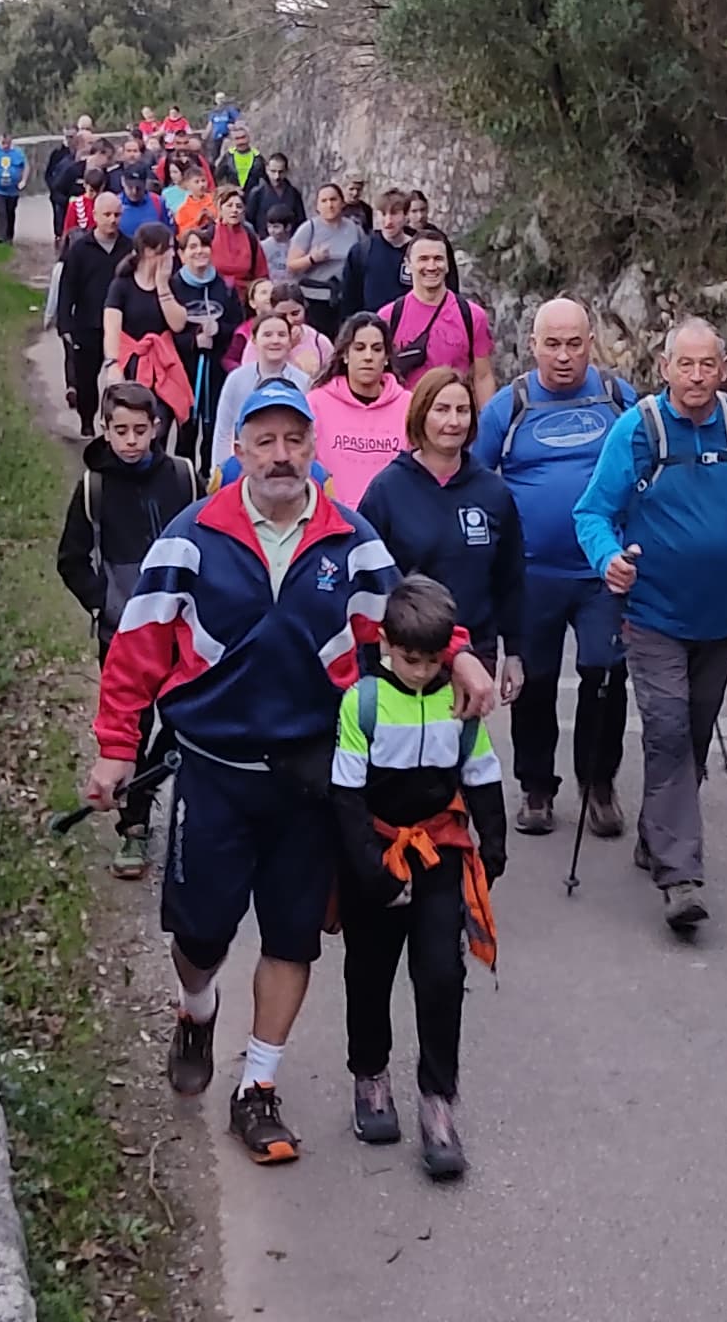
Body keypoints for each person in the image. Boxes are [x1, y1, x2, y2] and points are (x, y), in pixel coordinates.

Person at [84, 379, 494, 1166]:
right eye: (263, 440)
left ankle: (257, 1088)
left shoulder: (350, 538)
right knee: (199, 935)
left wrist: (463, 653)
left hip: (311, 777)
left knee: (293, 937)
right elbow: (136, 651)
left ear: (313, 447)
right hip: (214, 769)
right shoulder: (191, 535)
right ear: (236, 450)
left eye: (294, 440)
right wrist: (114, 746)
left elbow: (408, 615)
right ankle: (197, 1009)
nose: (280, 455)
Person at [570, 317, 727, 932]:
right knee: (669, 730)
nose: (696, 377)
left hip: (722, 618)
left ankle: (656, 833)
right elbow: (593, 512)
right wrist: (608, 561)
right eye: (685, 365)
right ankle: (681, 877)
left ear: (723, 368)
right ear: (665, 367)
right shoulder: (638, 430)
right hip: (652, 616)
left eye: (708, 365)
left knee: (693, 735)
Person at [328, 573, 507, 1179]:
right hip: (377, 851)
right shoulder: (364, 703)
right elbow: (346, 796)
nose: (423, 672)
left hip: (439, 849)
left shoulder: (459, 701)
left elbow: (480, 771)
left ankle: (438, 1101)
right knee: (370, 973)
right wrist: (369, 870)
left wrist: (495, 838)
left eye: (434, 662)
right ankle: (370, 1076)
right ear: (385, 646)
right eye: (410, 660)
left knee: (440, 975)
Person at [474, 299, 637, 837]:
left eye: (574, 343)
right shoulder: (509, 405)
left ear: (591, 343)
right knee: (535, 681)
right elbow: (476, 477)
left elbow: (650, 467)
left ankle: (599, 782)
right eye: (552, 344)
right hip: (532, 573)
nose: (563, 356)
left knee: (605, 673)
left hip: (601, 573)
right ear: (533, 345)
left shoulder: (618, 398)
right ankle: (537, 786)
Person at [58, 383, 200, 879]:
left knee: (186, 724)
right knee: (130, 732)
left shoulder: (183, 477)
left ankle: (178, 809)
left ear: (157, 429)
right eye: (121, 431)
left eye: (141, 430)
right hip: (121, 633)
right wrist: (106, 602)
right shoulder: (95, 485)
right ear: (105, 429)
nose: (131, 441)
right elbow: (71, 558)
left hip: (182, 631)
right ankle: (134, 828)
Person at [359, 369, 527, 690]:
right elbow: (366, 580)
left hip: (476, 653)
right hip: (406, 655)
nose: (454, 421)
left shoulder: (493, 491)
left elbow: (511, 579)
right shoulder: (387, 489)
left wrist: (515, 653)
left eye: (462, 410)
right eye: (442, 409)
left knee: (463, 739)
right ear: (421, 413)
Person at [308, 314, 415, 504]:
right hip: (333, 520)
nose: (368, 357)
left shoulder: (409, 405)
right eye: (359, 348)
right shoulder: (316, 403)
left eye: (376, 349)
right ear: (345, 355)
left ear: (387, 357)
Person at [212, 300, 324, 477]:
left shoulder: (303, 382)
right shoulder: (237, 379)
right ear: (255, 340)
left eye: (281, 335)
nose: (275, 341)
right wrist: (219, 471)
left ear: (290, 341)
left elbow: (312, 431)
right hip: (244, 465)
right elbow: (224, 430)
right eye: (268, 335)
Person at [385, 232, 496, 407]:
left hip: (453, 419)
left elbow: (482, 377)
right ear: (408, 265)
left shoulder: (472, 316)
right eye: (423, 259)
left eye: (438, 259)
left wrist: (487, 425)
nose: (431, 266)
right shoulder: (388, 317)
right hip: (403, 420)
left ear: (448, 265)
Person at [166, 221, 246, 460]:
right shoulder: (173, 287)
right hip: (183, 368)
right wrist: (192, 340)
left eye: (203, 246)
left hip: (217, 367)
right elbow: (166, 329)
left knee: (214, 427)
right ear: (182, 254)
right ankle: (184, 472)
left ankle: (209, 475)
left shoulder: (225, 287)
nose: (199, 251)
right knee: (186, 426)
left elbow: (237, 326)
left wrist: (219, 329)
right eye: (192, 247)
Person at [104, 224, 197, 427]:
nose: (173, 254)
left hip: (162, 365)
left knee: (159, 425)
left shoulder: (173, 284)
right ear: (149, 251)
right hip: (131, 365)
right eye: (169, 248)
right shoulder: (122, 285)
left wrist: (162, 286)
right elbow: (111, 328)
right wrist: (112, 364)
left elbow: (178, 324)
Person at [52, 193, 128, 434]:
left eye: (117, 215)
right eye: (107, 215)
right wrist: (65, 325)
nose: (112, 220)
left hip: (121, 327)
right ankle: (87, 423)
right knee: (86, 379)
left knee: (119, 380)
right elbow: (67, 288)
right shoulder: (80, 249)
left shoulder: (129, 248)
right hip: (88, 324)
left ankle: (115, 426)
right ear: (95, 216)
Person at [284, 182, 365, 340]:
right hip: (315, 300)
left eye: (333, 200)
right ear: (317, 206)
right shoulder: (308, 229)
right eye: (324, 201)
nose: (330, 205)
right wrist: (313, 258)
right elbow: (291, 265)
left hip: (345, 298)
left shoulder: (354, 229)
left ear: (342, 203)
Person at [355, 189, 415, 314]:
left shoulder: (419, 250)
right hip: (373, 328)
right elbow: (350, 299)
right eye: (383, 214)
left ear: (406, 215)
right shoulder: (362, 250)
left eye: (394, 213)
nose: (388, 220)